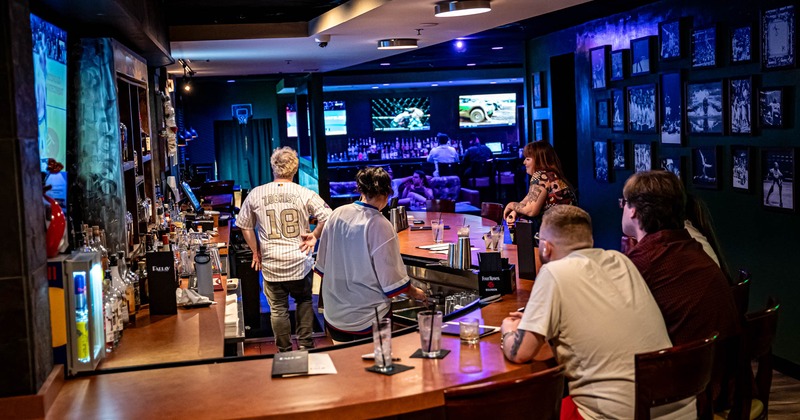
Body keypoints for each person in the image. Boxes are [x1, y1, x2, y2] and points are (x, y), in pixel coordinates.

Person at [500, 205, 694, 420]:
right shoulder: (621, 261)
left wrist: (508, 331)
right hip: (679, 408)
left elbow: (520, 353)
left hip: (619, 415)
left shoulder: (554, 272)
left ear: (545, 247)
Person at [620, 170, 739, 346]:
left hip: (686, 370)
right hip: (721, 367)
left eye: (623, 202)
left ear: (633, 211)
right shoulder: (692, 248)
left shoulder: (644, 262)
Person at [315, 167, 427, 343]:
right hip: (368, 318)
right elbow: (391, 281)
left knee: (345, 366)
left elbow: (321, 266)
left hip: (334, 315)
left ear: (360, 190)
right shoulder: (380, 224)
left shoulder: (337, 214)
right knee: (374, 367)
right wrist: (416, 292)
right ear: (386, 192)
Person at [237, 146, 332, 352]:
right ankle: (306, 346)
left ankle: (284, 351)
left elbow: (243, 224)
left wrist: (256, 251)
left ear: (273, 167)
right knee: (304, 301)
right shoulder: (303, 192)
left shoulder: (256, 193)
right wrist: (314, 236)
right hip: (300, 260)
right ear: (295, 169)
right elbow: (328, 216)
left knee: (278, 309)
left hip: (271, 263)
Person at [504, 141, 576, 228]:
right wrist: (515, 211)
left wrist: (510, 205)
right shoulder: (551, 175)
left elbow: (531, 211)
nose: (524, 162)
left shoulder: (540, 176)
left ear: (539, 161)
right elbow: (527, 201)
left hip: (558, 235)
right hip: (570, 232)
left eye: (528, 159)